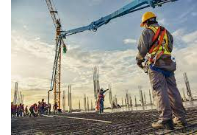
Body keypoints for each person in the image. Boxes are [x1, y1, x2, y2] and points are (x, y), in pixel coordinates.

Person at [136, 12, 186, 130]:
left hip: (155, 64)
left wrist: (139, 61)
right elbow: (169, 48)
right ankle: (180, 119)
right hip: (168, 63)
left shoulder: (147, 32)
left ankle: (166, 119)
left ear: (146, 22)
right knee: (173, 91)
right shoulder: (167, 33)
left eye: (144, 24)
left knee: (159, 90)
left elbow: (142, 50)